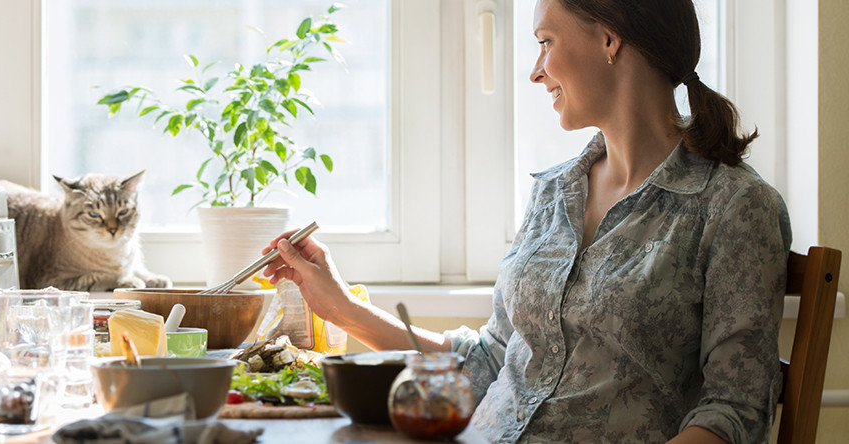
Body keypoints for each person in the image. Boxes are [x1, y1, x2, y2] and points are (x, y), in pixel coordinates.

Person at [261, 0, 791, 442]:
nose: (536, 71)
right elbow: (492, 359)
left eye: (545, 42)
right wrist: (343, 308)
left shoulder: (734, 207)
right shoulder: (553, 192)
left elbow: (735, 410)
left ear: (610, 40)